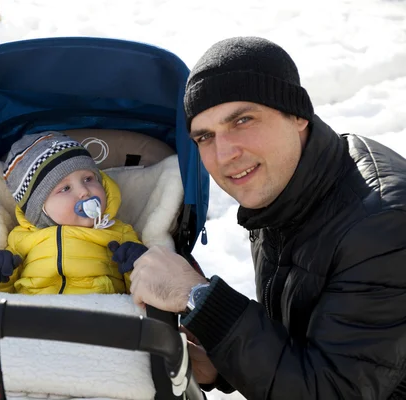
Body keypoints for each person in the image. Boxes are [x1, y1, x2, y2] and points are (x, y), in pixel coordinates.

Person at [128, 36, 406, 399]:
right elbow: (310, 337)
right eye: (205, 136)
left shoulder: (380, 228)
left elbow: (332, 392)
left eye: (242, 120)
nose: (225, 153)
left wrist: (197, 296)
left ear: (297, 115)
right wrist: (222, 360)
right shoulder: (290, 183)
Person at [0, 131, 147, 295]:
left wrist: (137, 265)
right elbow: (7, 290)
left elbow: (140, 289)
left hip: (100, 312)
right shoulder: (19, 238)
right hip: (35, 313)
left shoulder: (120, 233)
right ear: (40, 209)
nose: (84, 192)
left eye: (88, 179)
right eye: (65, 188)